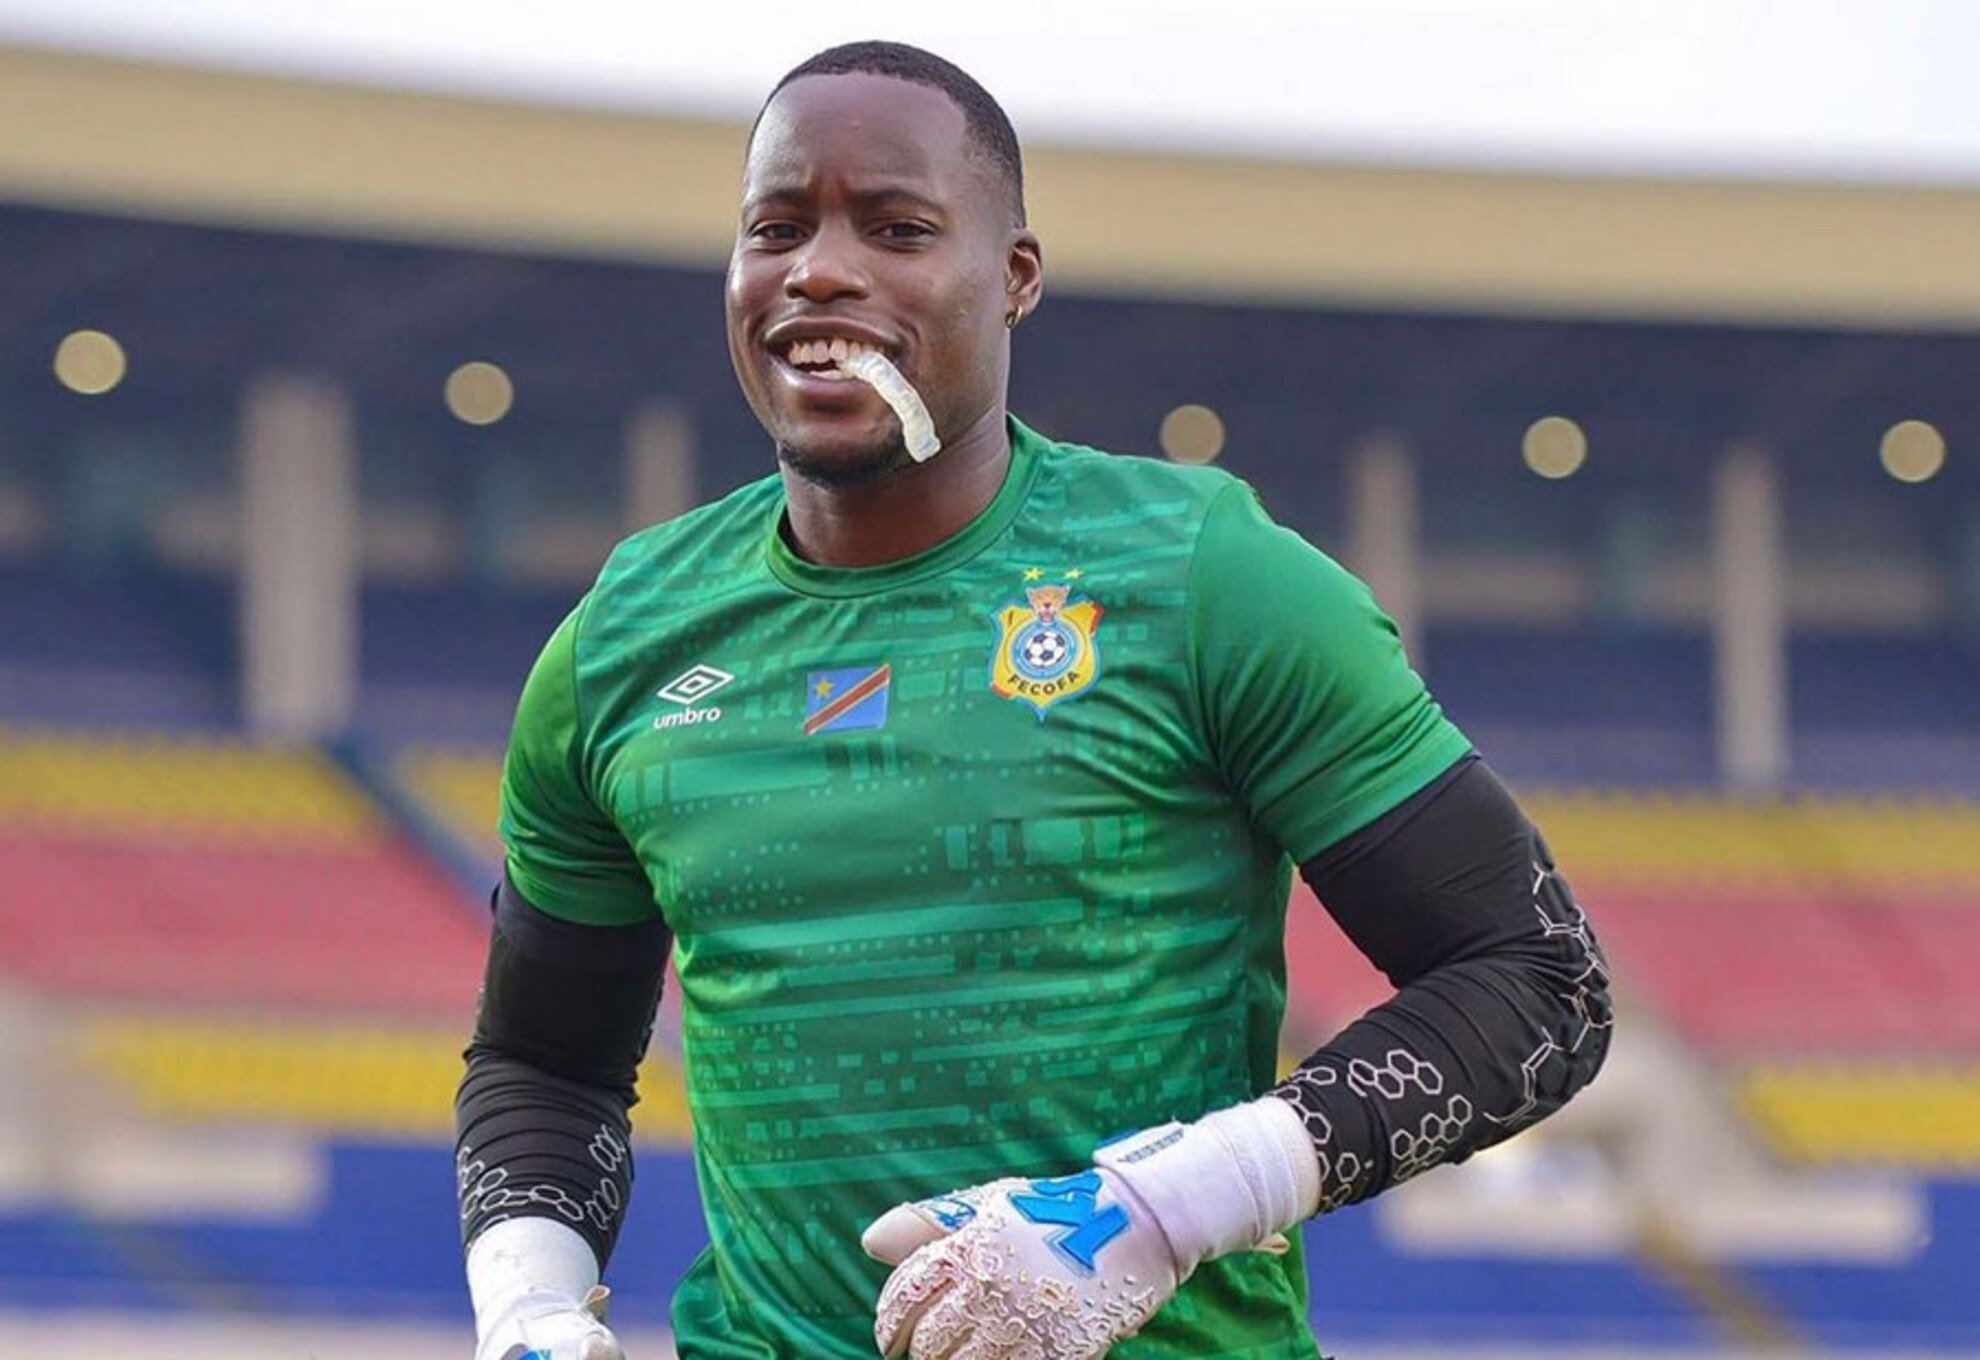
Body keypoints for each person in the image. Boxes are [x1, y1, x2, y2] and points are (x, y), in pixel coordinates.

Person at [455, 39, 1613, 1360]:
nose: (819, 270)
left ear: (1013, 279)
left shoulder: (1206, 581)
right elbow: (543, 1065)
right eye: (776, 226)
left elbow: (1540, 983)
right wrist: (530, 1310)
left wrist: (1153, 1212)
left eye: (896, 228)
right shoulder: (623, 645)